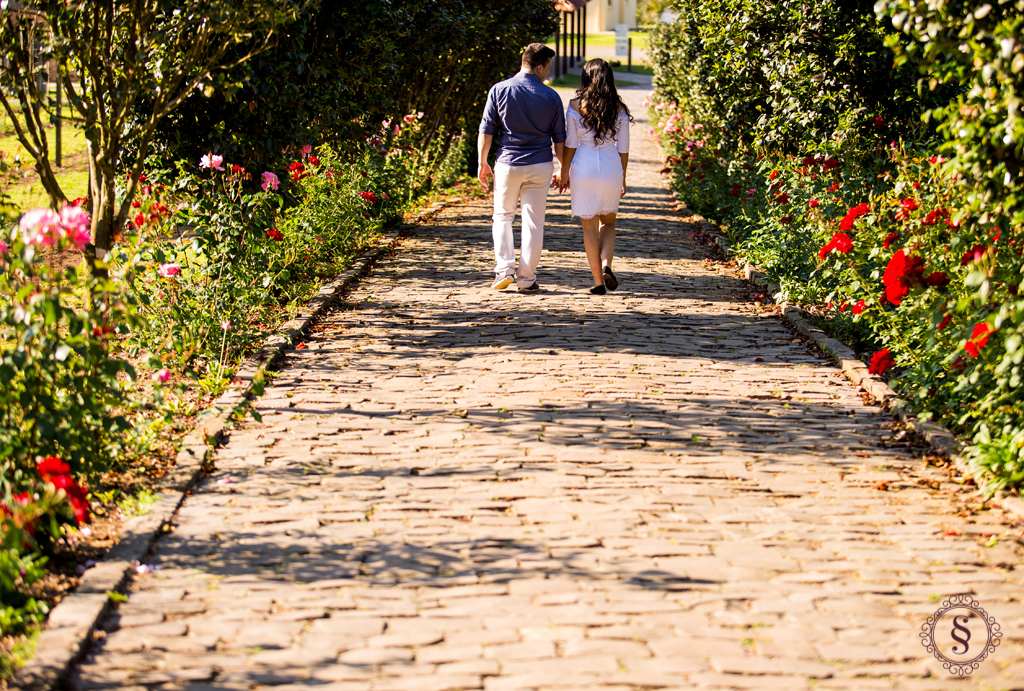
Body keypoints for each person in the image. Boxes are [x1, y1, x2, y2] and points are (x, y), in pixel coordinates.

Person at [478, 43, 566, 292]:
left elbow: (486, 130)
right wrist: (563, 168)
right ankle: (526, 279)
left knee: (503, 217)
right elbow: (560, 138)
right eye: (547, 68)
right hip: (539, 165)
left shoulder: (499, 90)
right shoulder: (551, 96)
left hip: (507, 164)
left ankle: (503, 271)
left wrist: (482, 162)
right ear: (539, 67)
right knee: (533, 222)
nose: (548, 72)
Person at [557, 58, 633, 295]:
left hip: (584, 167)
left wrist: (564, 170)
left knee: (588, 227)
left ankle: (598, 282)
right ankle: (607, 264)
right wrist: (623, 177)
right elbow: (623, 148)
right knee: (608, 222)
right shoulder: (619, 109)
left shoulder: (574, 105)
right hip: (611, 166)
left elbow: (570, 143)